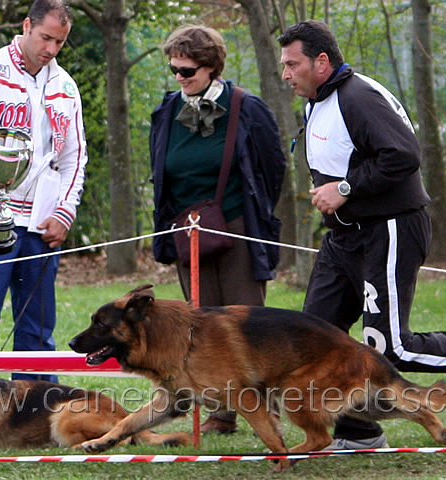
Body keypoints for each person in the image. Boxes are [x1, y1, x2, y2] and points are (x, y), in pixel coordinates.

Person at [278, 20, 446, 449]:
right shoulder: (318, 98)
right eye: (284, 65)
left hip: (389, 229)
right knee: (315, 340)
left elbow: (404, 156)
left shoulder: (358, 98)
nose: (286, 74)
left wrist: (344, 189)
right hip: (343, 238)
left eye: (292, 64)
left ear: (321, 62)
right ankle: (359, 433)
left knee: (390, 347)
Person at [150, 24, 286, 434]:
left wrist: (251, 215)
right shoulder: (166, 109)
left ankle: (269, 413)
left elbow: (273, 168)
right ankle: (222, 413)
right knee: (201, 326)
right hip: (185, 229)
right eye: (174, 69)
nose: (179, 77)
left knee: (248, 325)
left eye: (187, 70)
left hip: (237, 226)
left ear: (211, 68)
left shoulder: (248, 107)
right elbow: (160, 170)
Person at [0, 0, 87, 382]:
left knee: (37, 329)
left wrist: (64, 212)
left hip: (40, 220)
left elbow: (75, 156)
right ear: (26, 26)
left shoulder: (66, 86)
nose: (52, 49)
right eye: (46, 38)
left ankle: (35, 414)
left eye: (60, 42)